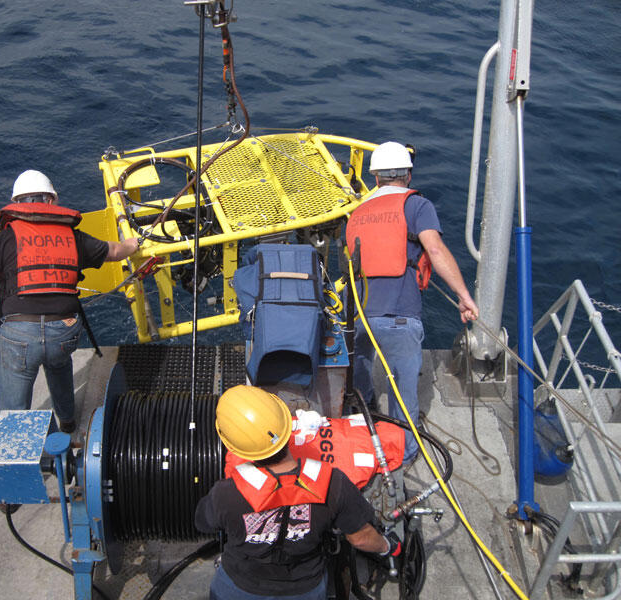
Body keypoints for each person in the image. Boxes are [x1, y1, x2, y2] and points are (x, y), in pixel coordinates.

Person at [0, 169, 140, 432]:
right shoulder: (72, 236)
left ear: (16, 205)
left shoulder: (6, 239)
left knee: (13, 412)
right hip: (63, 331)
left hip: (18, 335)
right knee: (59, 364)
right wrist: (134, 243)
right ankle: (67, 422)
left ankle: (21, 452)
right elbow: (115, 251)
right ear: (51, 201)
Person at [195, 385, 399, 600]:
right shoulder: (332, 483)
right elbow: (361, 538)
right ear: (288, 426)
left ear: (235, 448)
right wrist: (388, 546)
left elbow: (203, 523)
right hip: (304, 589)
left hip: (239, 586)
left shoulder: (226, 494)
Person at [345, 142, 479, 463]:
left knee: (361, 374)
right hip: (400, 316)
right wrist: (463, 295)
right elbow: (434, 250)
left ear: (375, 177)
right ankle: (403, 454)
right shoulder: (417, 205)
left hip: (359, 315)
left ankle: (366, 425)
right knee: (403, 391)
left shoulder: (357, 212)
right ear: (407, 174)